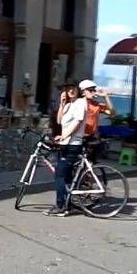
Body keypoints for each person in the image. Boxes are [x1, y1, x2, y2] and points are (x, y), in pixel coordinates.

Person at [49, 80, 92, 217]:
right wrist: (62, 105)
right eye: (68, 89)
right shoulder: (68, 105)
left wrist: (64, 135)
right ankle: (68, 204)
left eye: (73, 88)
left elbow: (77, 122)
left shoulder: (80, 103)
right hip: (65, 144)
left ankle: (60, 204)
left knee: (59, 175)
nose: (71, 91)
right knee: (66, 176)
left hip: (73, 144)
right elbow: (59, 121)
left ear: (78, 90)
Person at [79, 79, 114, 161]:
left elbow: (112, 112)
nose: (93, 92)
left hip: (91, 137)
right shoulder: (78, 103)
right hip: (79, 135)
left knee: (90, 161)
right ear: (83, 92)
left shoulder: (96, 105)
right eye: (90, 90)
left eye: (93, 90)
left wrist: (106, 97)